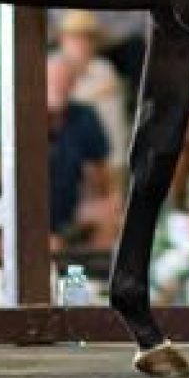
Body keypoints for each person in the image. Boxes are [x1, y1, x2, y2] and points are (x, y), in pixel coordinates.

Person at [46, 54, 113, 248]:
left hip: (72, 206)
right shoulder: (26, 116)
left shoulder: (85, 116)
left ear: (73, 85)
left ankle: (96, 274)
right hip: (32, 208)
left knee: (106, 213)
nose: (59, 86)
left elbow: (97, 172)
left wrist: (98, 203)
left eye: (65, 81)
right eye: (53, 80)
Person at [53, 10, 131, 172]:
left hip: (109, 161)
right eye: (76, 37)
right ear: (63, 39)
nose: (82, 43)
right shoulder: (52, 68)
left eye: (87, 37)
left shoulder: (104, 69)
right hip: (66, 164)